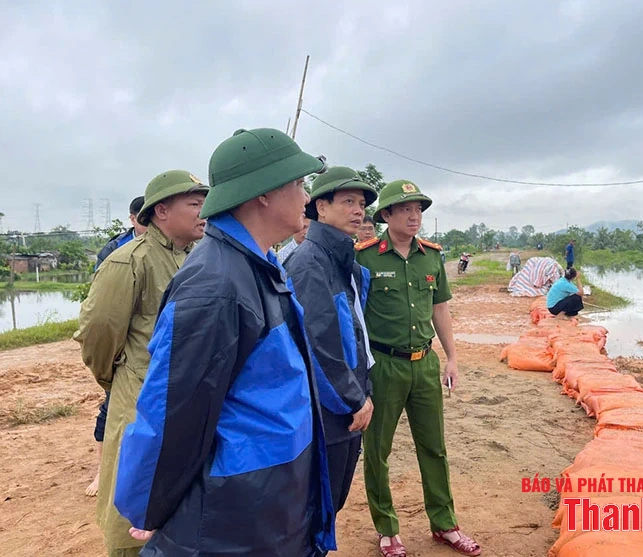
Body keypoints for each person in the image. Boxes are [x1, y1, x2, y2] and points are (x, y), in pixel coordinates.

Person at [113, 128, 336, 556]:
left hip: (271, 494)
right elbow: (173, 408)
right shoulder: (215, 283)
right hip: (234, 509)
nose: (306, 196)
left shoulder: (261, 265)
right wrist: (146, 503)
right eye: (298, 183)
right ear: (263, 194)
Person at [73, 170, 209, 556]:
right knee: (132, 492)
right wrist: (116, 380)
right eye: (194, 204)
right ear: (161, 211)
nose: (203, 212)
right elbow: (99, 333)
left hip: (186, 396)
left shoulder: (197, 258)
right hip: (139, 397)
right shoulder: (129, 262)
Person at [356, 180, 481, 557]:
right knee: (377, 450)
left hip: (424, 364)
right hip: (383, 366)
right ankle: (387, 529)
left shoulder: (432, 256)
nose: (414, 216)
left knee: (434, 447)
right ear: (386, 215)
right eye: (405, 209)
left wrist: (452, 357)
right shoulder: (365, 258)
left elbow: (440, 308)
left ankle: (445, 523)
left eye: (418, 210)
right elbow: (353, 315)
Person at [285, 165, 378, 517]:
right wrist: (354, 399)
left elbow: (354, 336)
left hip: (347, 402)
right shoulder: (309, 263)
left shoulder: (344, 261)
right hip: (329, 409)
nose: (358, 211)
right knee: (316, 507)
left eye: (362, 204)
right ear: (321, 208)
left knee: (333, 501)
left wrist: (363, 390)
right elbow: (317, 344)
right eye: (348, 202)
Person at [85, 195, 149, 498]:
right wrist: (108, 366)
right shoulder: (116, 251)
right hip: (123, 345)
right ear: (133, 219)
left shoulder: (173, 249)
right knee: (110, 407)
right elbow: (103, 312)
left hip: (149, 349)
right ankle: (103, 471)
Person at [94, 196, 148, 271]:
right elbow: (99, 274)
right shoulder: (114, 247)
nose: (152, 225)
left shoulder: (163, 243)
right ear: (133, 219)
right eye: (146, 220)